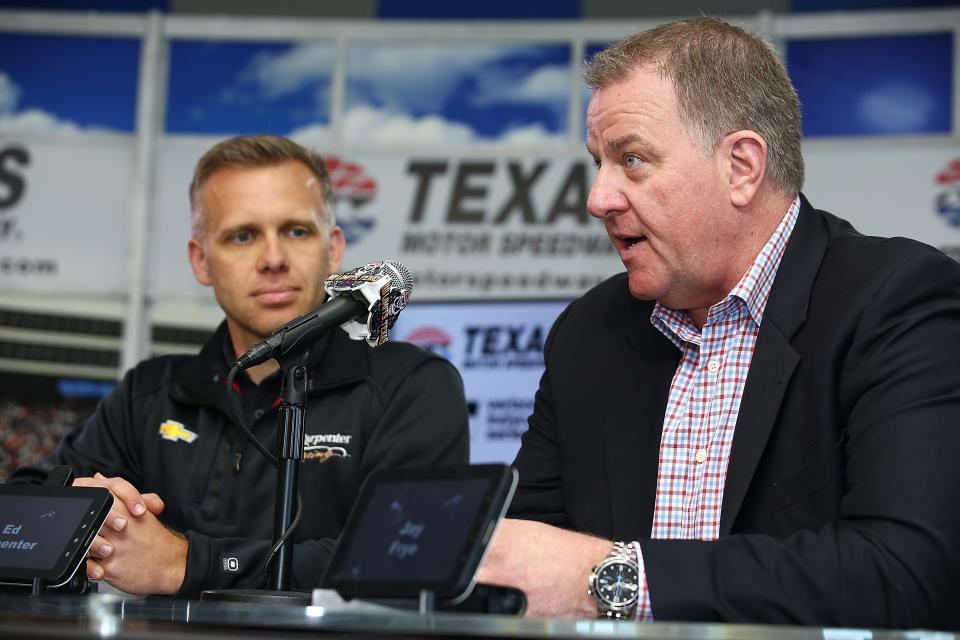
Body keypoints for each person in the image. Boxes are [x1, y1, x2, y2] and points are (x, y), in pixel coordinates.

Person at [477, 17, 960, 629]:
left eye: (632, 159)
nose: (598, 198)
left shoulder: (895, 300)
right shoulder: (588, 333)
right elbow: (526, 556)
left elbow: (911, 571)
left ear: (741, 167)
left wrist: (610, 578)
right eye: (598, 162)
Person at [9, 135, 470, 597]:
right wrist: (80, 515)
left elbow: (405, 555)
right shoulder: (149, 393)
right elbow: (16, 523)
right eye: (242, 236)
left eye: (296, 231)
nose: (273, 259)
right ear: (201, 260)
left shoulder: (412, 386)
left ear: (332, 250)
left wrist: (186, 563)